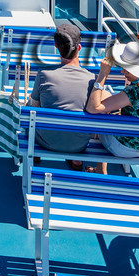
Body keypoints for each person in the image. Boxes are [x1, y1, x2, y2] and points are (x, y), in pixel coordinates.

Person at [21, 21, 97, 170]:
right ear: (79, 47)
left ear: (56, 47)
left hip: (47, 141)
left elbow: (35, 108)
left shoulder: (44, 75)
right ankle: (76, 161)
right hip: (78, 145)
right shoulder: (91, 79)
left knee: (30, 107)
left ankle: (35, 154)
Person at [84, 40, 139, 164]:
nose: (122, 72)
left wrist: (102, 75)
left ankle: (100, 169)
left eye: (126, 69)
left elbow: (92, 108)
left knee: (102, 103)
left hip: (124, 148)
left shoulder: (133, 94)